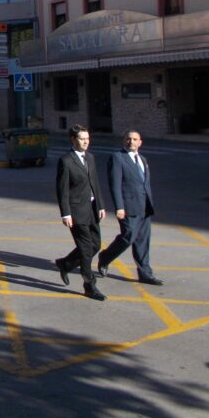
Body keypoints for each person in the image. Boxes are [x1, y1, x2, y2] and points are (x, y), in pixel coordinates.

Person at [97, 131, 162, 286]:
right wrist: (119, 206)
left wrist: (150, 203)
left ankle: (145, 274)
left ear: (140, 142)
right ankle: (105, 257)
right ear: (123, 141)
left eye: (134, 139)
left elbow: (145, 184)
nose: (131, 142)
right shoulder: (118, 158)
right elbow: (115, 184)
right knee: (128, 236)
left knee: (143, 241)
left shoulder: (143, 159)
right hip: (128, 206)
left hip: (144, 207)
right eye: (128, 139)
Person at [54, 124, 107, 301]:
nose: (86, 142)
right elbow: (62, 190)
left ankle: (65, 264)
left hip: (92, 209)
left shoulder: (90, 158)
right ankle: (89, 285)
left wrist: (100, 205)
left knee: (96, 245)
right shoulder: (66, 161)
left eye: (87, 138)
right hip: (76, 211)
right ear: (73, 140)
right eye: (82, 139)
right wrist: (65, 213)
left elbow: (95, 184)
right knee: (85, 249)